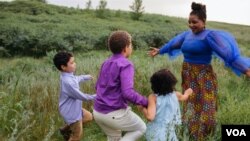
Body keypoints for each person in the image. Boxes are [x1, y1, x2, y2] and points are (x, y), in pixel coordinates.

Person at [148, 2, 250, 141]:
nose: (191, 25)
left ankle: (206, 135)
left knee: (206, 107)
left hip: (204, 77)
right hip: (188, 74)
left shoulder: (210, 36)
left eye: (194, 22)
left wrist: (245, 70)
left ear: (203, 21)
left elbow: (228, 56)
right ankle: (190, 133)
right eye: (189, 22)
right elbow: (174, 44)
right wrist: (160, 50)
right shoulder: (187, 35)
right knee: (190, 104)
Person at [93, 30, 148, 141]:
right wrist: (145, 101)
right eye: (131, 44)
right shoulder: (126, 64)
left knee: (114, 137)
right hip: (113, 113)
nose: (131, 47)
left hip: (97, 112)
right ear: (125, 48)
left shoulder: (106, 62)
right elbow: (127, 93)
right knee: (141, 128)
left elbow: (97, 86)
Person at [138, 69, 193, 141]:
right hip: (169, 132)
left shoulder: (153, 97)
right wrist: (187, 93)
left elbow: (150, 117)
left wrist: (142, 108)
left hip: (155, 132)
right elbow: (184, 97)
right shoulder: (176, 95)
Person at [53, 51, 96, 141]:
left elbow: (76, 79)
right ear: (63, 67)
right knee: (76, 137)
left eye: (74, 61)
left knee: (89, 117)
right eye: (72, 63)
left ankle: (64, 130)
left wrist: (85, 77)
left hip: (73, 108)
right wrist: (96, 96)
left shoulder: (68, 76)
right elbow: (82, 96)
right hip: (71, 113)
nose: (75, 64)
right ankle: (71, 130)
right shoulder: (68, 82)